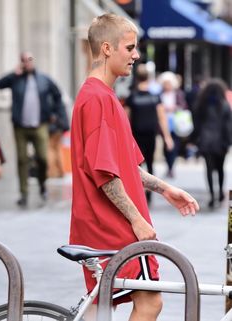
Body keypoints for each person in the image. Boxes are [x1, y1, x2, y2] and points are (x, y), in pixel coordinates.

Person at [69, 13, 199, 321]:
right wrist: (137, 220)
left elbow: (125, 166)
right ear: (106, 49)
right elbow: (105, 175)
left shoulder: (99, 96)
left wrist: (166, 188)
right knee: (149, 303)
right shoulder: (99, 99)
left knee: (101, 307)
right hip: (113, 227)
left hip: (98, 224)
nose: (136, 55)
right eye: (130, 47)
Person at [0, 51, 65, 207]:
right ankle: (24, 194)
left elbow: (57, 95)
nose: (27, 62)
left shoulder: (44, 80)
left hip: (40, 125)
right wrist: (13, 74)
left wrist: (55, 114)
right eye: (24, 60)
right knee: (22, 160)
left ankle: (42, 186)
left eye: (29, 59)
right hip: (20, 126)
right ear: (21, 62)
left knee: (42, 158)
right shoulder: (15, 79)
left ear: (33, 61)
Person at [125, 63, 173, 203]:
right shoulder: (155, 97)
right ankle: (150, 193)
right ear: (148, 78)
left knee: (136, 165)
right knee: (151, 163)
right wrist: (167, 137)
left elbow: (126, 119)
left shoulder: (132, 97)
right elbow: (162, 118)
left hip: (136, 135)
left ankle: (138, 191)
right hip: (151, 134)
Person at [192, 78, 232, 208]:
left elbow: (196, 125)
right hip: (221, 142)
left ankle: (212, 195)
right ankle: (220, 192)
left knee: (208, 169)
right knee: (220, 169)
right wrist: (228, 142)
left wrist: (194, 140)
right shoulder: (225, 105)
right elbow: (228, 126)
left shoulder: (201, 105)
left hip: (206, 141)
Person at [158, 71, 188, 177]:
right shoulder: (160, 94)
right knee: (166, 145)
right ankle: (169, 165)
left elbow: (183, 106)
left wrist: (174, 108)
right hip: (163, 122)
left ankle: (171, 166)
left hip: (176, 123)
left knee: (174, 145)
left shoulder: (178, 93)